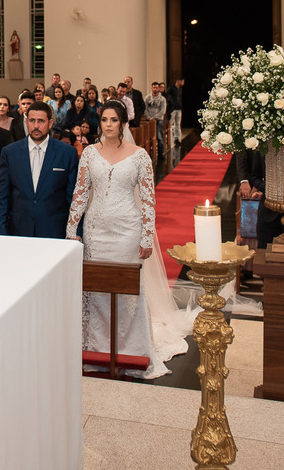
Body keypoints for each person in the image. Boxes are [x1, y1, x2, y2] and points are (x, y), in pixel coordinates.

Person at [66, 100, 189, 378]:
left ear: (123, 123)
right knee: (97, 289)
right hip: (96, 230)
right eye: (104, 120)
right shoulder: (89, 153)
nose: (108, 125)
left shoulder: (139, 156)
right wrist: (71, 231)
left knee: (127, 290)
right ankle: (97, 348)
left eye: (113, 120)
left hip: (127, 231)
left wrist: (146, 237)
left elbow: (148, 200)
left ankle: (132, 348)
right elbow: (80, 193)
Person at [0, 101, 79, 238]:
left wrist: (75, 232)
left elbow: (73, 197)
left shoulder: (67, 153)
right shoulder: (10, 152)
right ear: (26, 122)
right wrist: (2, 233)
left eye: (41, 121)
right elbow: (3, 197)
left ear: (50, 123)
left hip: (54, 230)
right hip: (19, 229)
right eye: (32, 121)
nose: (36, 126)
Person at [144, 82, 166, 155]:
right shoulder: (147, 98)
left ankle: (160, 154)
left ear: (159, 88)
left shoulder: (162, 99)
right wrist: (149, 117)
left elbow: (163, 110)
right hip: (149, 119)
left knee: (159, 137)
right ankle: (149, 152)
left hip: (158, 120)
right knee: (148, 137)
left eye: (156, 88)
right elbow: (145, 108)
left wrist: (154, 118)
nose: (155, 89)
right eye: (154, 87)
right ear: (151, 88)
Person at [167, 78, 184, 145]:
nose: (183, 83)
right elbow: (168, 97)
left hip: (179, 108)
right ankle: (171, 139)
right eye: (182, 82)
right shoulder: (171, 88)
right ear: (178, 81)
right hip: (173, 109)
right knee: (171, 124)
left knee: (178, 124)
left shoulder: (180, 89)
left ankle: (177, 139)